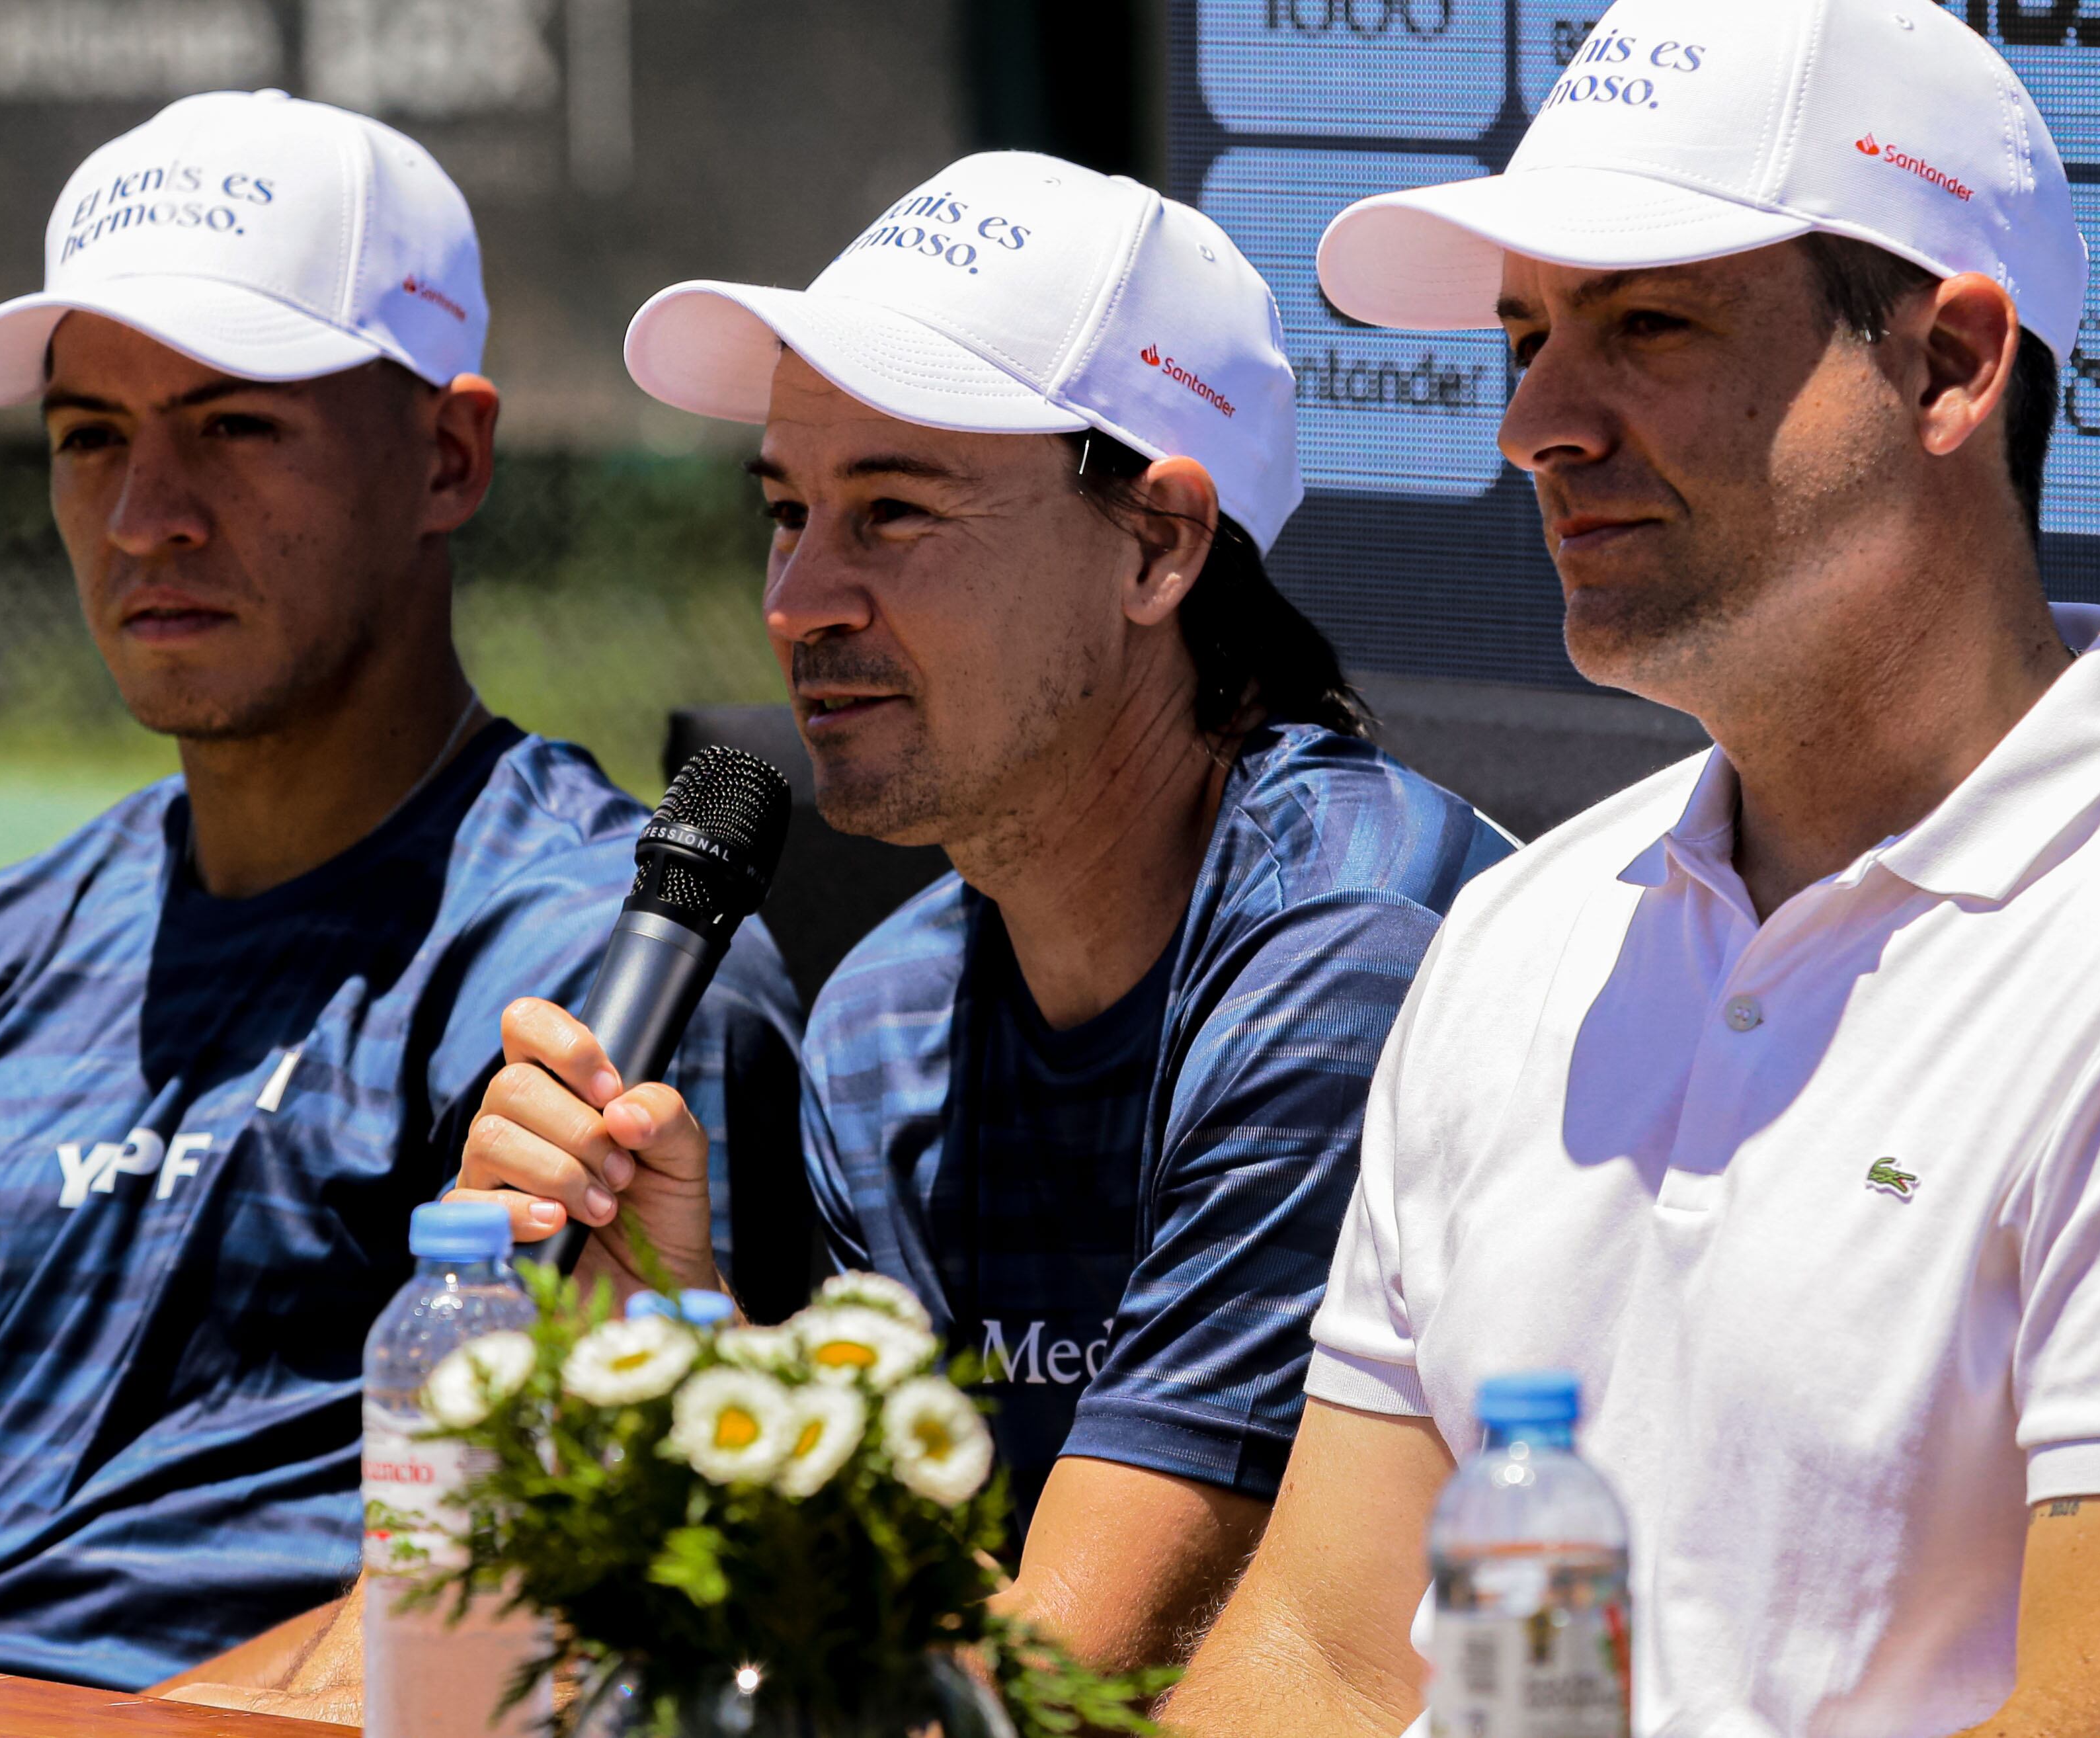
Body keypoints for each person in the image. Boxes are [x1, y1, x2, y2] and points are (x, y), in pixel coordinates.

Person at [1166, 1, 2100, 1735]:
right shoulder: (1517, 930)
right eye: (1524, 335)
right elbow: (1322, 1650)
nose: (1533, 422)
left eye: (1645, 324)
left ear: (1947, 366)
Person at [0, 90, 799, 1698]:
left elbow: (548, 1612)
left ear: (447, 457)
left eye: (236, 426)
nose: (146, 516)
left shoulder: (610, 979)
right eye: (88, 436)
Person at [448, 151, 1517, 1674]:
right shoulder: (884, 1016)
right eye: (787, 511)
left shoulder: (1342, 952)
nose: (797, 600)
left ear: (1156, 544)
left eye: (892, 513)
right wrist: (683, 1337)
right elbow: (919, 1607)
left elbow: (1071, 1663)